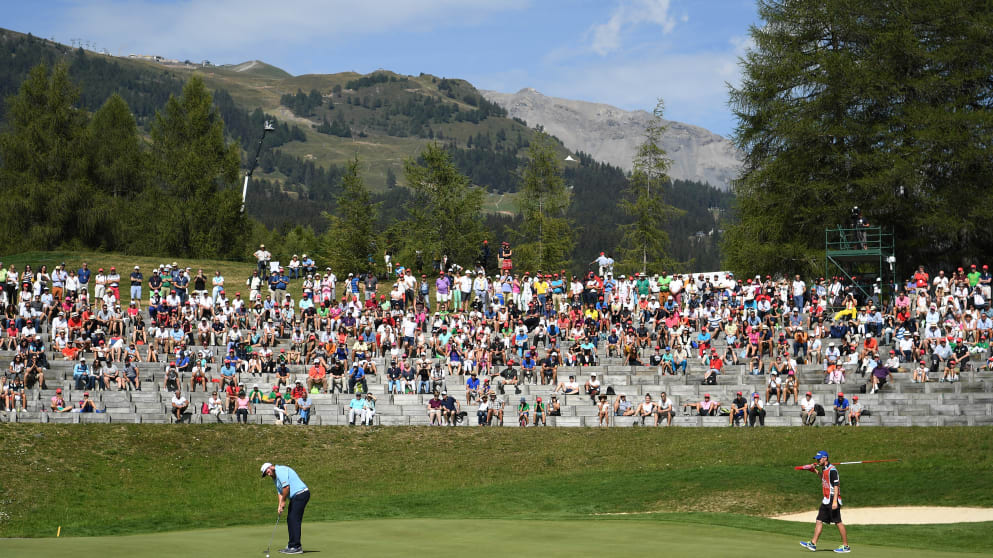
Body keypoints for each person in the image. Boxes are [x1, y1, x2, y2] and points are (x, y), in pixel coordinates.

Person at [800, 450, 850, 553]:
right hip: (826, 499)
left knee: (838, 522)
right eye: (817, 459)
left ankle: (846, 546)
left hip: (833, 498)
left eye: (819, 458)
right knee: (819, 520)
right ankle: (813, 543)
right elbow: (824, 479)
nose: (818, 460)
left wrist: (835, 501)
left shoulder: (832, 470)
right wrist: (814, 471)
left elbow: (836, 486)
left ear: (825, 458)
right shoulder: (825, 469)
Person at [260, 463, 310, 555]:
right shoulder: (275, 478)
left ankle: (296, 547)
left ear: (271, 467)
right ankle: (291, 545)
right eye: (266, 474)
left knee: (294, 519)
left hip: (301, 494)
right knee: (290, 519)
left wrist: (283, 501)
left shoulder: (280, 470)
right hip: (296, 497)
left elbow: (286, 487)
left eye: (267, 471)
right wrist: (280, 505)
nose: (268, 474)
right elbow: (280, 492)